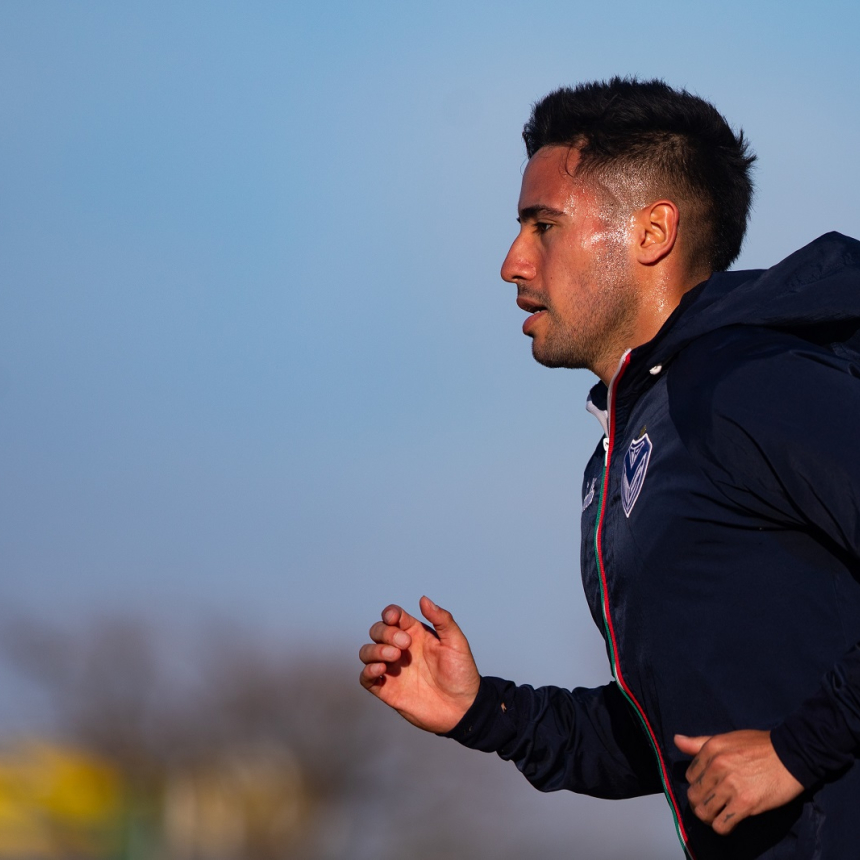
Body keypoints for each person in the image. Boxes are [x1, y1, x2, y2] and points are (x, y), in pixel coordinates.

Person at [358, 77, 860, 859]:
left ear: (652, 231)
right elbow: (669, 735)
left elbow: (785, 750)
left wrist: (797, 751)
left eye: (544, 225)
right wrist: (484, 711)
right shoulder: (624, 451)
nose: (512, 262)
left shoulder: (751, 383)